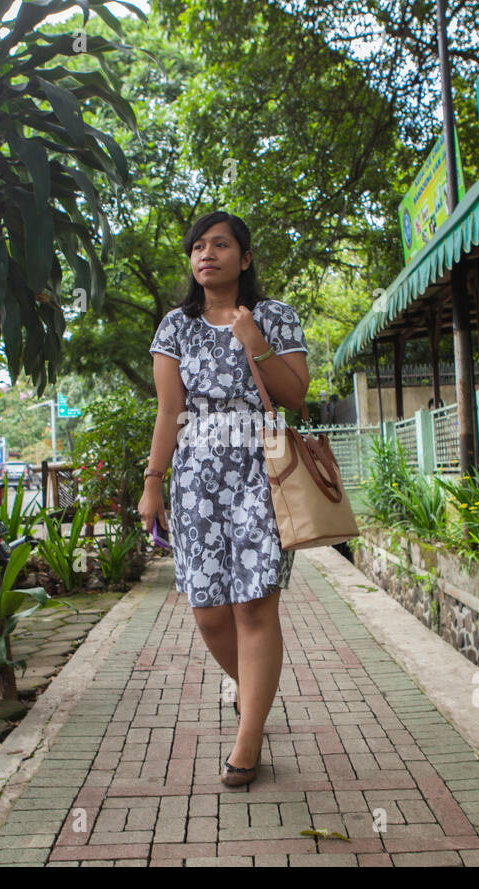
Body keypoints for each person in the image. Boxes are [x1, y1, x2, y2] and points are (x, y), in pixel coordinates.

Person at [139, 210, 309, 787]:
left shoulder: (274, 317)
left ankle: (250, 734)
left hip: (262, 473)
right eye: (197, 248)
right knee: (210, 613)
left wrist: (254, 341)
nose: (205, 255)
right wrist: (152, 482)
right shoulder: (175, 327)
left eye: (219, 245)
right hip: (195, 480)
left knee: (255, 605)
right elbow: (168, 411)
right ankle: (251, 691)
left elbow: (295, 396)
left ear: (245, 256)